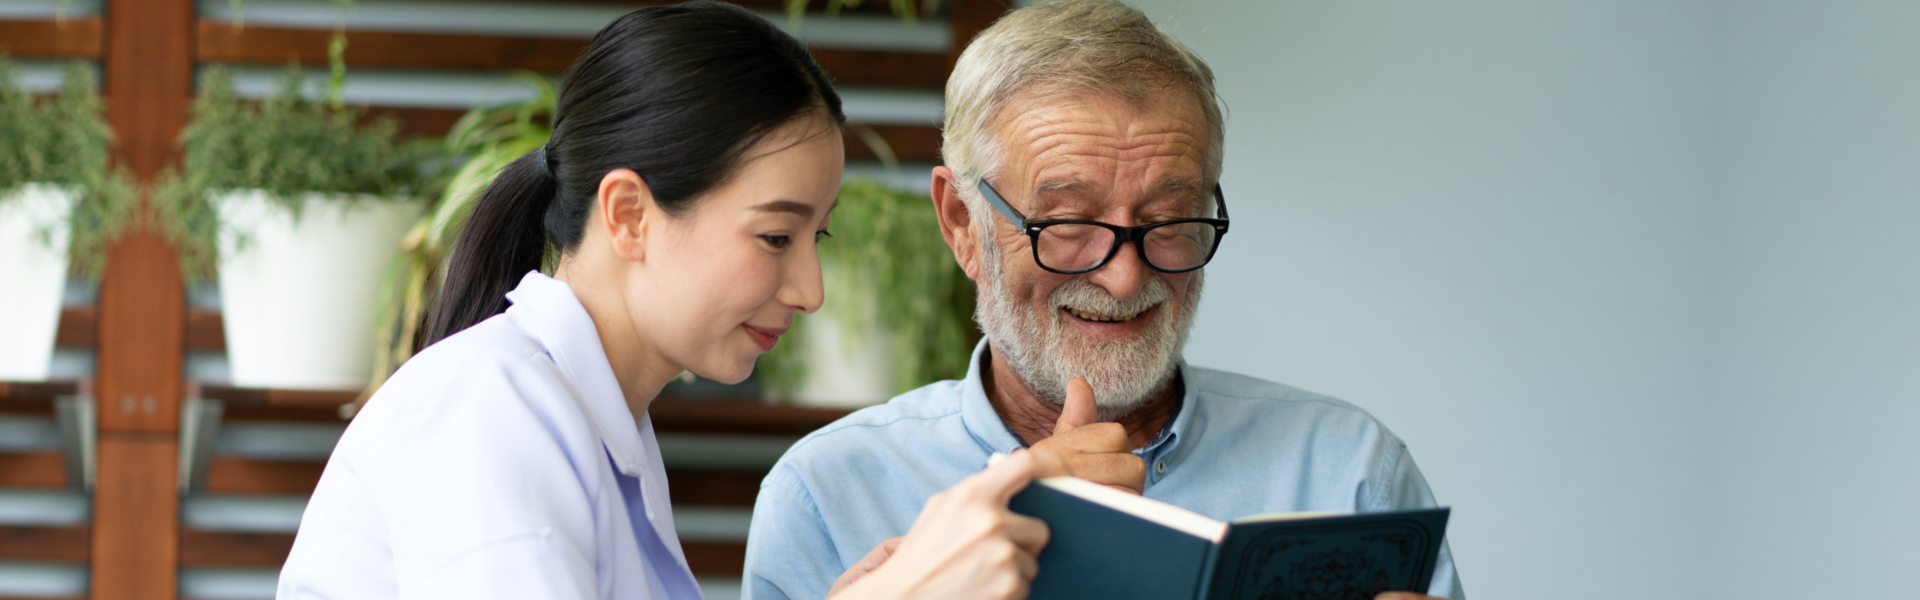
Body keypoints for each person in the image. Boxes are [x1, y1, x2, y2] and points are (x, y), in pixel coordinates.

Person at [275, 3, 1065, 599]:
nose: (810, 292)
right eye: (774, 237)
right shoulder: (492, 406)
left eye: (815, 238)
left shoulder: (601, 423)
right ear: (628, 215)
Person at [740, 1, 1464, 599]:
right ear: (962, 224)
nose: (1123, 278)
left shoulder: (1349, 471)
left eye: (1169, 220)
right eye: (1070, 224)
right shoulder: (828, 496)